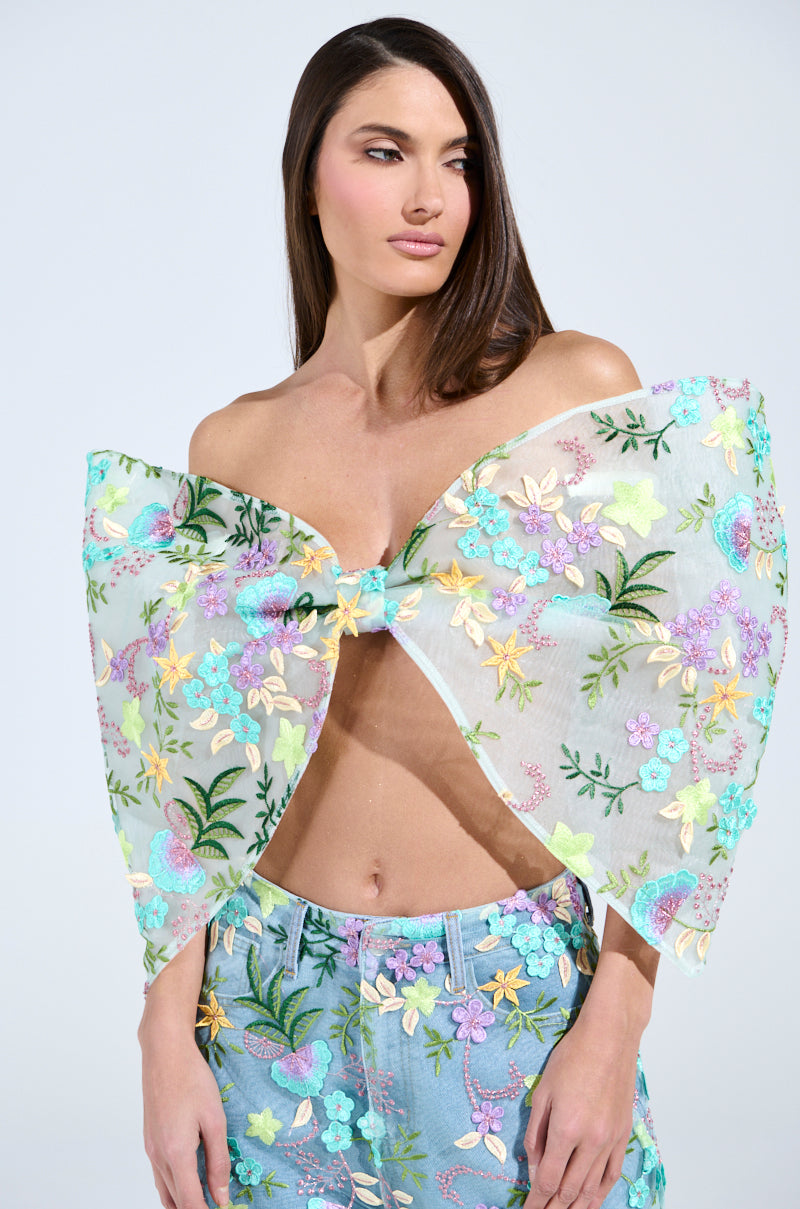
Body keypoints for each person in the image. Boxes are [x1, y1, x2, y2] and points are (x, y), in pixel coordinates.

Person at [82, 16, 786, 1209]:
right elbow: (182, 782)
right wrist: (163, 1032)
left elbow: (700, 709)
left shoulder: (573, 393)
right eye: (384, 151)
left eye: (456, 160)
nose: (429, 196)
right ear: (307, 178)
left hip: (509, 1000)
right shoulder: (234, 447)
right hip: (266, 1005)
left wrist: (614, 1018)